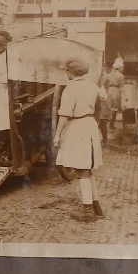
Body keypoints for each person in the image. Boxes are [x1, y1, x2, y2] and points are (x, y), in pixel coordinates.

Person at [53, 57, 105, 222]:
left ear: (71, 72)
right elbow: (100, 108)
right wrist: (96, 127)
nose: (66, 73)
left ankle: (88, 212)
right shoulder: (93, 86)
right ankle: (96, 207)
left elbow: (65, 113)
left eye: (66, 71)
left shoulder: (71, 88)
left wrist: (57, 134)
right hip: (90, 125)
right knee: (87, 169)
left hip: (77, 127)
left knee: (82, 170)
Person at [105, 60, 125, 130]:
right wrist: (125, 96)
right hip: (116, 91)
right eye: (122, 68)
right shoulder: (121, 76)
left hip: (109, 90)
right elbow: (121, 86)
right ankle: (111, 125)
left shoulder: (108, 75)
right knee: (114, 108)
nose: (123, 69)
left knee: (109, 107)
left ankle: (106, 124)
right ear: (119, 68)